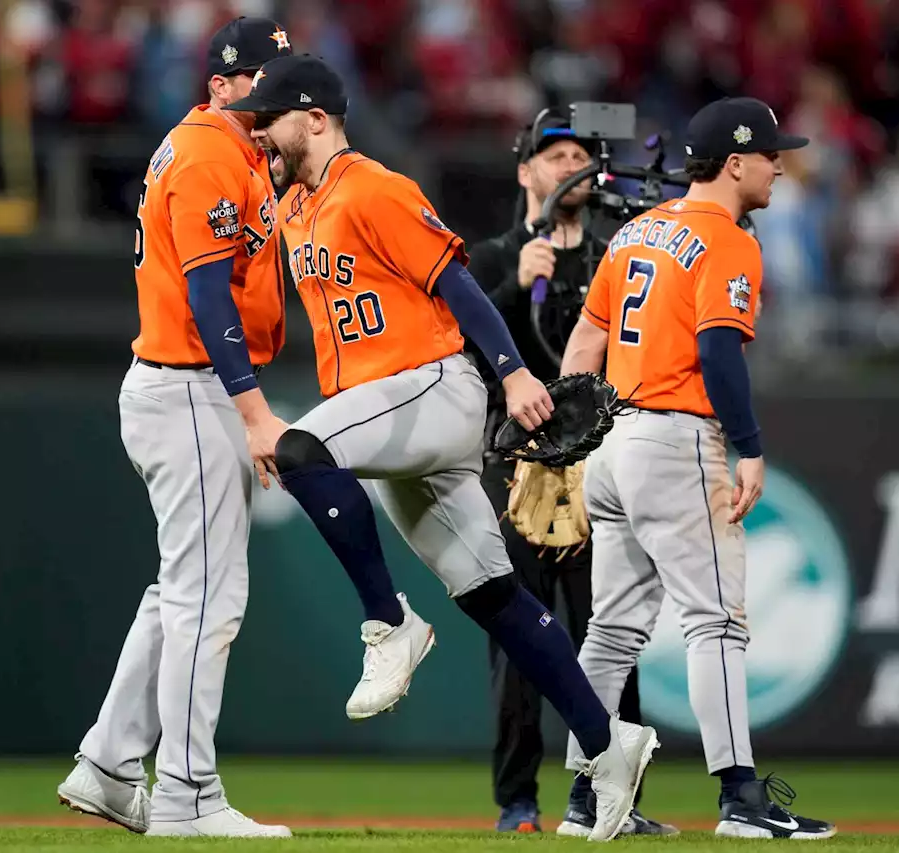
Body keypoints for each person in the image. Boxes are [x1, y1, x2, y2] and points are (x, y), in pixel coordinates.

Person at [224, 53, 658, 843]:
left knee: (301, 447)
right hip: (392, 420)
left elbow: (456, 285)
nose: (262, 136)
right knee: (495, 597)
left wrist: (515, 371)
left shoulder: (375, 186)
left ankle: (388, 625)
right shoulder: (293, 207)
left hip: (431, 385)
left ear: (315, 117)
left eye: (271, 121)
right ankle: (610, 743)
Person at [556, 96, 837, 840]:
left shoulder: (638, 229)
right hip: (677, 440)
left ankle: (586, 800)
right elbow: (717, 351)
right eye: (773, 153)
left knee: (612, 630)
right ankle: (740, 799)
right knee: (715, 620)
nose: (782, 164)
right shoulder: (729, 237)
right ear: (736, 161)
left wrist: (571, 434)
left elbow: (587, 340)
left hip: (615, 442)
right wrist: (748, 446)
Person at [55, 17, 295, 839]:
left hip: (191, 389)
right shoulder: (203, 155)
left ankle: (109, 764)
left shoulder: (239, 152)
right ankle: (187, 792)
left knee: (178, 595)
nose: (273, 90)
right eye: (261, 78)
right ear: (221, 83)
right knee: (207, 599)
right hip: (189, 387)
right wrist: (254, 411)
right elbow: (207, 295)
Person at [466, 108, 674, 836]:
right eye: (554, 155)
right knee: (519, 637)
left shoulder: (618, 255)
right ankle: (517, 802)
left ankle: (615, 798)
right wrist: (513, 286)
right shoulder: (491, 256)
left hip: (599, 463)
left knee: (610, 631)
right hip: (515, 467)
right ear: (525, 169)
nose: (571, 166)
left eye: (583, 154)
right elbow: (459, 359)